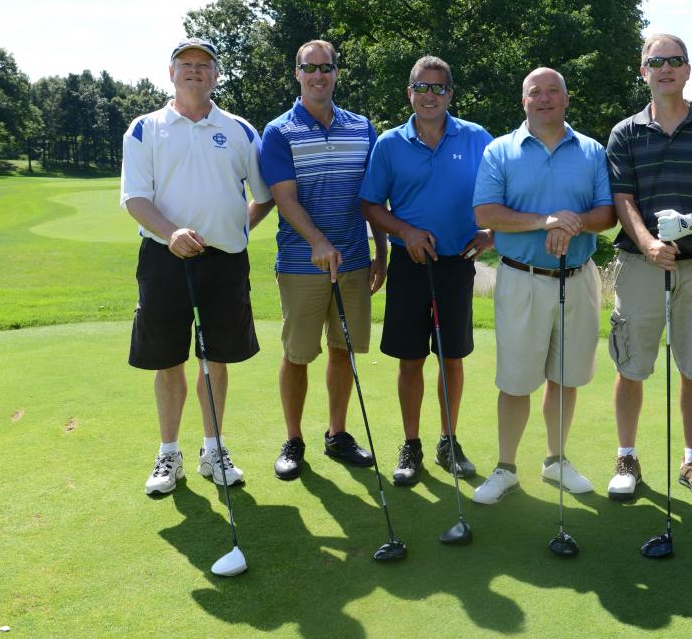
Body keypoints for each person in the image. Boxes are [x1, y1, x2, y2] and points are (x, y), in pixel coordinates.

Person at [122, 38, 274, 496]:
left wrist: (235, 230)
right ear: (171, 74)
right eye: (185, 64)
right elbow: (135, 198)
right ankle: (169, 453)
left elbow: (264, 196)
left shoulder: (240, 130)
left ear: (215, 75)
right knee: (167, 359)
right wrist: (172, 234)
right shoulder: (145, 129)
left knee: (215, 358)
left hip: (224, 263)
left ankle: (213, 450)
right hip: (163, 261)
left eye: (203, 65)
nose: (194, 70)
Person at [604, 34, 692, 502]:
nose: (666, 68)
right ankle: (626, 457)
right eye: (656, 61)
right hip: (641, 264)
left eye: (675, 61)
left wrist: (691, 223)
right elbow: (622, 198)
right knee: (631, 365)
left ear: (688, 69)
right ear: (643, 71)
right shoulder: (625, 132)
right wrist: (648, 242)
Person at [471, 67, 616, 504]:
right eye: (536, 92)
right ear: (524, 101)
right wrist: (545, 221)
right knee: (515, 382)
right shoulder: (500, 150)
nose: (545, 98)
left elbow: (607, 213)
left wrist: (570, 225)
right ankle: (506, 467)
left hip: (579, 278)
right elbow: (486, 213)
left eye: (554, 91)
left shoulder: (591, 151)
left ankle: (556, 460)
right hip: (522, 278)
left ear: (566, 99)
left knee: (566, 377)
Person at [360, 56, 494, 485]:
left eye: (438, 88)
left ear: (450, 94)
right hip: (409, 264)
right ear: (409, 93)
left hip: (457, 264)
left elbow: (504, 192)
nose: (429, 96)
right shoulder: (390, 144)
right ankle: (411, 444)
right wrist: (405, 231)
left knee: (451, 358)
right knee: (410, 360)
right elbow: (370, 204)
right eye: (421, 87)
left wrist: (492, 234)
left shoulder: (477, 138)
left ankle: (448, 440)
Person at [259, 39, 388, 481]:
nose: (318, 75)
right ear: (297, 73)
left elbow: (372, 197)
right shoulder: (279, 131)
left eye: (326, 67)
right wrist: (317, 241)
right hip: (301, 264)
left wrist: (381, 251)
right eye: (309, 68)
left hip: (353, 261)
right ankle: (293, 439)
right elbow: (285, 198)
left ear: (336, 72)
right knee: (298, 355)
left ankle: (337, 433)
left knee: (342, 349)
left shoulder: (362, 128)